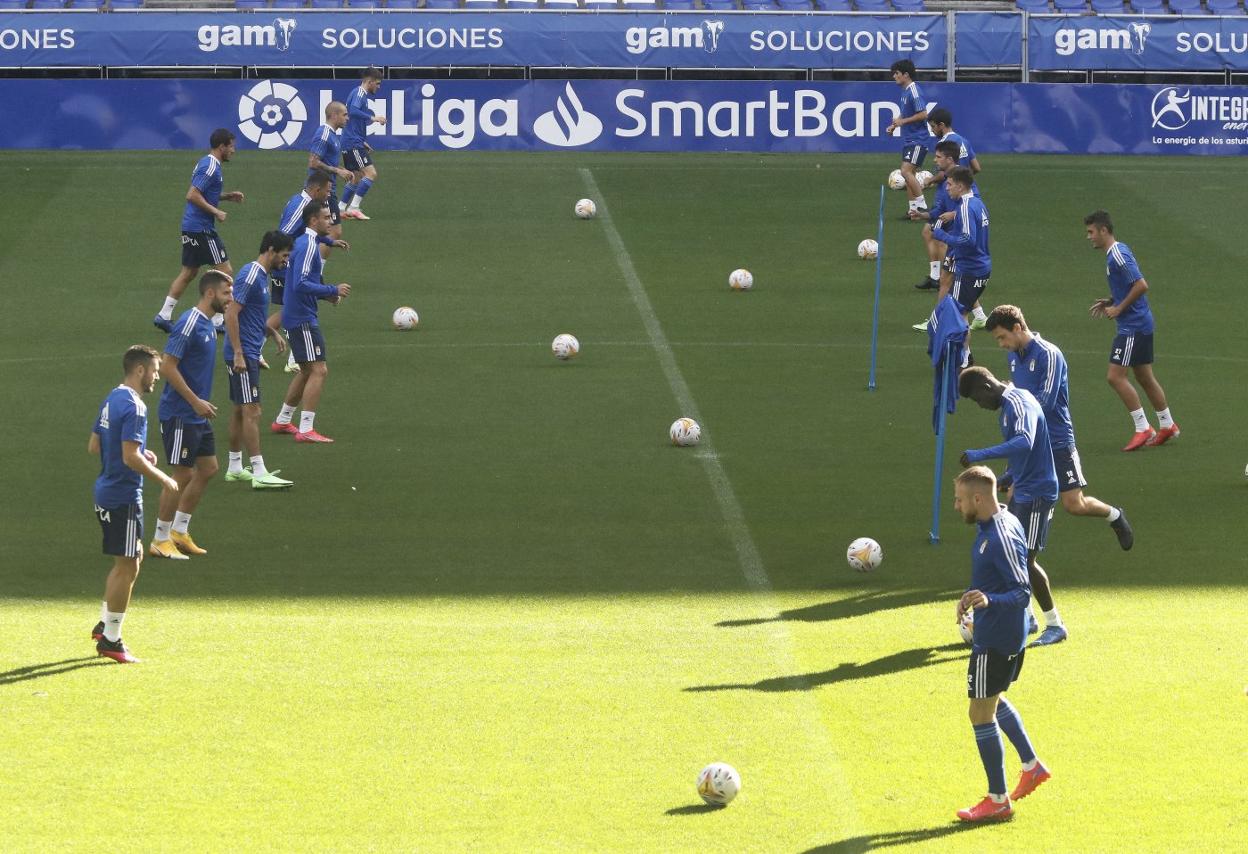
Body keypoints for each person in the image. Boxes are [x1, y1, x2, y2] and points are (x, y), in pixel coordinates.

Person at [985, 305, 1134, 550]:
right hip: (1029, 440)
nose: (1001, 344)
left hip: (1057, 440)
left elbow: (1046, 401)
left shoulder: (1049, 354)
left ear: (1017, 328)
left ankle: (1115, 516)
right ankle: (1013, 555)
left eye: (1002, 337)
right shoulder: (1013, 357)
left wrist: (1015, 405)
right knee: (1013, 495)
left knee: (1074, 504)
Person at [952, 465, 1051, 823]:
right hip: (1006, 633)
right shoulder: (1001, 521)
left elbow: (1022, 590)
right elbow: (999, 577)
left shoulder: (1000, 537)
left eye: (960, 499)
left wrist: (990, 602)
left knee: (979, 712)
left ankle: (998, 800)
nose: (956, 506)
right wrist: (974, 594)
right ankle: (1032, 765)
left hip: (995, 637)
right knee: (994, 698)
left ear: (978, 498)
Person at [958, 366, 1067, 647]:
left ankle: (1055, 625)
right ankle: (1028, 619)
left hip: (1037, 493)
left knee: (1026, 562)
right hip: (1023, 489)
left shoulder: (1019, 403)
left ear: (985, 386)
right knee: (1015, 557)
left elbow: (1025, 442)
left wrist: (980, 455)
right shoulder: (1007, 407)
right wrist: (1007, 478)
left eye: (977, 399)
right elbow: (1025, 454)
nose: (980, 406)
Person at [90, 345, 181, 663]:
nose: (158, 376)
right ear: (140, 370)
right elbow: (130, 456)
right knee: (128, 565)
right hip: (123, 497)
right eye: (155, 370)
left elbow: (95, 445)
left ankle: (104, 624)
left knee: (131, 558)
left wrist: (142, 456)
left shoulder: (112, 398)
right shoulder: (136, 407)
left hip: (104, 490)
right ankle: (111, 640)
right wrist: (163, 478)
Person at [150, 271, 232, 559]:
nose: (230, 297)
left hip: (197, 412)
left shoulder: (209, 325)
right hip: (181, 413)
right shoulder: (189, 323)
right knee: (182, 474)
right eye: (226, 292)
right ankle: (160, 539)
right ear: (210, 293)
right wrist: (196, 401)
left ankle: (179, 530)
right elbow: (168, 365)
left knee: (208, 468)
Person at [1084, 210, 1180, 451]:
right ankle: (1167, 425)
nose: (1089, 237)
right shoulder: (1117, 252)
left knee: (1115, 376)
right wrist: (1110, 300)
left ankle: (1143, 428)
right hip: (1141, 322)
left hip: (1132, 326)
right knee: (1144, 377)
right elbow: (1128, 286)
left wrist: (1118, 308)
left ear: (1104, 230)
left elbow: (1141, 285)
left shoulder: (1117, 255)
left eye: (1091, 232)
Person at [272, 203, 353, 443]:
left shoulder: (306, 242)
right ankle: (306, 429)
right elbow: (300, 283)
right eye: (326, 217)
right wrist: (332, 289)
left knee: (307, 370)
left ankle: (283, 420)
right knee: (319, 370)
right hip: (302, 318)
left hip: (297, 314)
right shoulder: (308, 247)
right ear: (312, 221)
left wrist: (326, 295)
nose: (331, 221)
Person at [223, 231, 296, 490]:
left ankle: (233, 467)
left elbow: (250, 316)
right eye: (284, 255)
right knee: (252, 411)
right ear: (272, 250)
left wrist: (272, 332)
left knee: (239, 410)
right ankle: (259, 471)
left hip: (248, 350)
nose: (286, 261)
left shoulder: (261, 277)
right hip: (243, 355)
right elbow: (231, 315)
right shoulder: (252, 275)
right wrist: (240, 353)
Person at [154, 129, 243, 334]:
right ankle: (218, 320)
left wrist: (227, 196)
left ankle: (164, 315)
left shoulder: (208, 163)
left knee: (189, 272)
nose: (233, 150)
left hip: (191, 226)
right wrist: (216, 212)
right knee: (226, 271)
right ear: (222, 146)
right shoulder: (211, 166)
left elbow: (205, 193)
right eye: (231, 146)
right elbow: (192, 195)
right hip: (201, 228)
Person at [272, 174, 349, 373]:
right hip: (290, 264)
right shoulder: (301, 207)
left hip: (298, 260)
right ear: (316, 190)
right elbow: (284, 235)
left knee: (292, 308)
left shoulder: (305, 204)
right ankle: (294, 358)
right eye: (328, 190)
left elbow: (308, 232)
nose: (330, 194)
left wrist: (330, 242)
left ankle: (254, 348)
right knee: (298, 307)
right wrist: (283, 261)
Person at [918, 167, 991, 335]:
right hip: (980, 267)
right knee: (961, 313)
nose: (946, 187)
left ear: (960, 186)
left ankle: (963, 357)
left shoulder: (965, 207)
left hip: (969, 269)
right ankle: (966, 355)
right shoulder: (977, 203)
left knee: (957, 316)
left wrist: (942, 236)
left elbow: (968, 240)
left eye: (949, 184)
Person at [884, 59, 930, 219]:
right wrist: (895, 125)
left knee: (905, 171)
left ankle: (922, 206)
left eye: (896, 73)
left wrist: (902, 122)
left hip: (919, 139)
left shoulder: (914, 90)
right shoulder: (905, 92)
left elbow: (923, 114)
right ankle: (914, 212)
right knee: (910, 174)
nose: (894, 76)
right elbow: (906, 113)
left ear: (906, 74)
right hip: (911, 139)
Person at [340, 67, 388, 221]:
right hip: (352, 143)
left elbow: (352, 119)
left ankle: (341, 208)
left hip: (353, 141)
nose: (378, 87)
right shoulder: (360, 93)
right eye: (378, 84)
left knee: (357, 177)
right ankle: (353, 208)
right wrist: (373, 118)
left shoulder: (359, 93)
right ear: (369, 82)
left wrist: (363, 141)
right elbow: (352, 111)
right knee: (371, 173)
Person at [308, 101, 354, 257]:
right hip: (321, 191)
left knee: (327, 231)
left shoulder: (333, 135)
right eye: (345, 114)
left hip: (327, 190)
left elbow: (327, 161)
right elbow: (313, 162)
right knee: (333, 231)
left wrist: (341, 169)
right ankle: (315, 270)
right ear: (334, 115)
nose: (348, 118)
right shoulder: (324, 134)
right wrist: (336, 171)